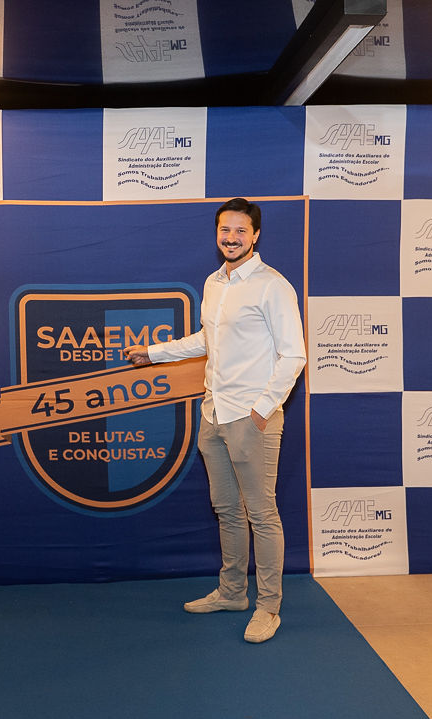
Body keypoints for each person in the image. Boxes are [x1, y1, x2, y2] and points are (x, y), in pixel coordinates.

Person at [124, 197, 306, 643]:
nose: (232, 237)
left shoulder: (272, 285)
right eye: (225, 229)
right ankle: (232, 593)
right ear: (217, 233)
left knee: (262, 514)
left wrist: (263, 409)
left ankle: (268, 607)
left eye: (241, 230)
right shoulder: (214, 282)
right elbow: (209, 338)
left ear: (256, 235)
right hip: (213, 414)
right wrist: (153, 353)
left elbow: (294, 355)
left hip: (252, 418)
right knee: (226, 510)